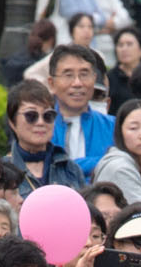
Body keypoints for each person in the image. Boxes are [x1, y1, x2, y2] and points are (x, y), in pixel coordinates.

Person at [47, 44, 114, 186]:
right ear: (51, 84)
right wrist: (100, 162)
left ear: (94, 79)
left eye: (84, 74)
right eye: (68, 75)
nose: (77, 83)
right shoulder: (40, 127)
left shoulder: (114, 127)